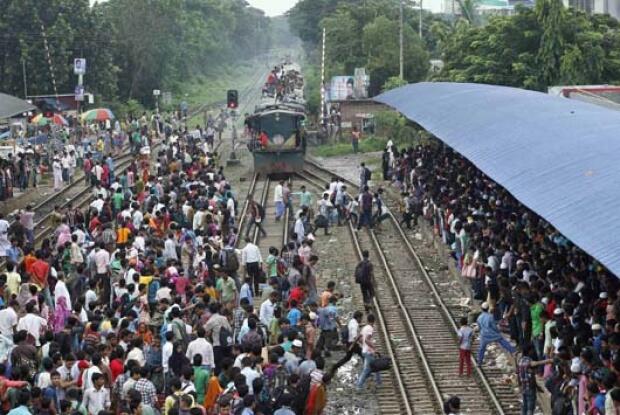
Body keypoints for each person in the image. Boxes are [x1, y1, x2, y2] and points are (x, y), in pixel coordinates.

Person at [356, 314, 380, 391]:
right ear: (373, 321)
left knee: (376, 367)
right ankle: (359, 386)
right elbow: (367, 340)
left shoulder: (365, 327)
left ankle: (378, 382)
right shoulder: (370, 328)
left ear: (367, 320)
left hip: (365, 351)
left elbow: (359, 337)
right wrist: (374, 348)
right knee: (368, 369)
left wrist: (362, 345)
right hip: (368, 352)